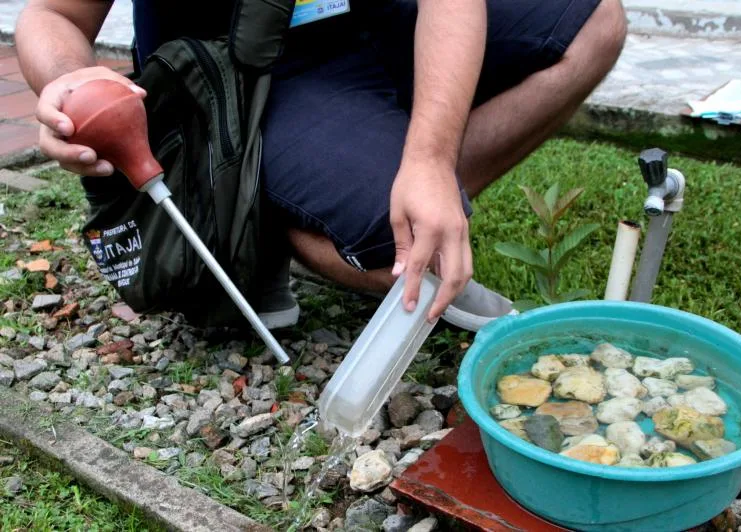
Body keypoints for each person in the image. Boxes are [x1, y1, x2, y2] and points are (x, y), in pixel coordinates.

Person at [16, 0, 626, 332]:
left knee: (593, 22)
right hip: (245, 70)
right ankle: (246, 208)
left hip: (370, 17)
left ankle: (409, 197)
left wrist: (431, 159)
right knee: (389, 245)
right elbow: (52, 15)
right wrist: (70, 82)